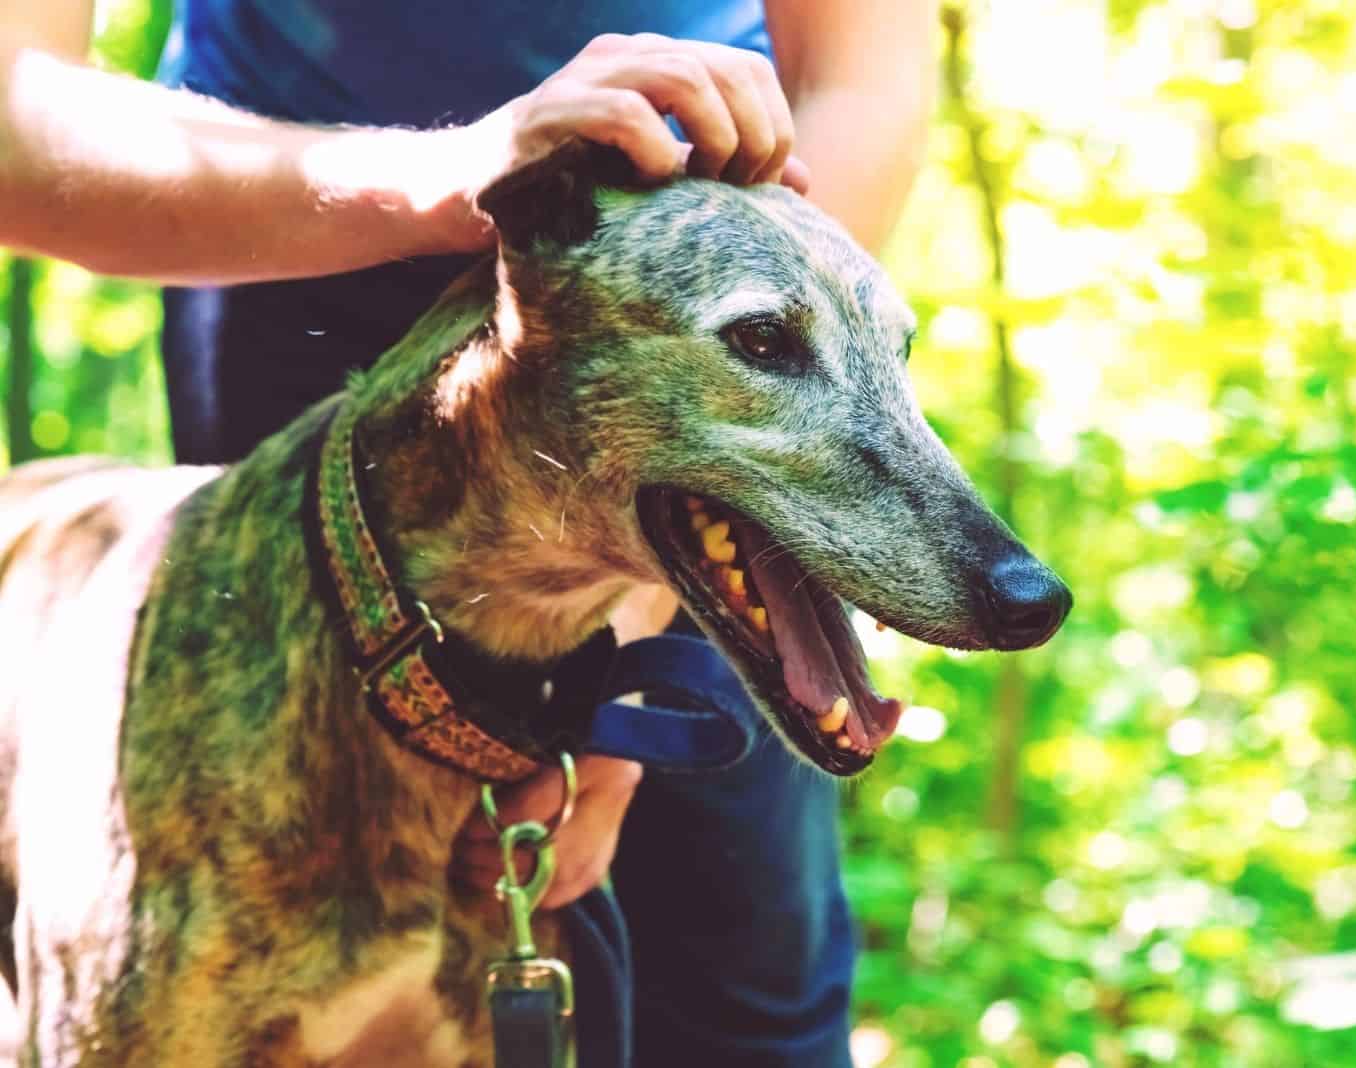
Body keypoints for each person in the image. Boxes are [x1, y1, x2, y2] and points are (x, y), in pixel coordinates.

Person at [0, 2, 934, 1063]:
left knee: (732, 1011)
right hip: (280, 243)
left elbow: (866, 73)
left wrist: (634, 619)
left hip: (707, 314)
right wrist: (454, 175)